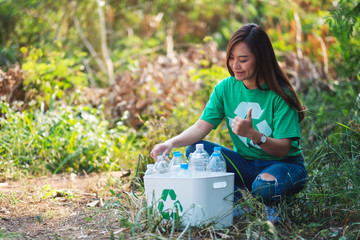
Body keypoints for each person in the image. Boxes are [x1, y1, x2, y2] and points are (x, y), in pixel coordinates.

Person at [150, 23, 307, 218]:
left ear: (261, 59)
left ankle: (272, 205)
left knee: (263, 187)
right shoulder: (225, 88)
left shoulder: (280, 95)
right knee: (195, 150)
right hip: (246, 164)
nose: (235, 65)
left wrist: (254, 135)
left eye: (243, 59)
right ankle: (238, 206)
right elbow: (200, 127)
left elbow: (283, 148)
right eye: (231, 58)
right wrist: (170, 143)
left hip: (285, 165)